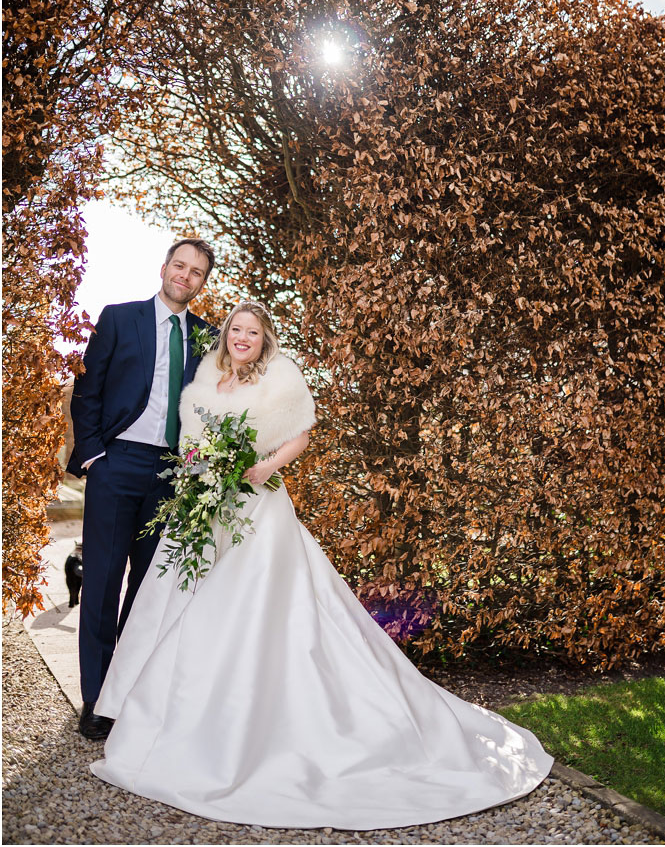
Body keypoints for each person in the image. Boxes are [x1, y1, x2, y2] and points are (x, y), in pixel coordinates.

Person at [90, 301, 552, 829]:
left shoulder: (281, 376)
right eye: (236, 330)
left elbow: (300, 435)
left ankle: (251, 727)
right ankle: (160, 718)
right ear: (226, 335)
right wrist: (200, 466)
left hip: (258, 510)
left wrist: (263, 466)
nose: (243, 338)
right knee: (178, 604)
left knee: (250, 612)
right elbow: (192, 440)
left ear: (266, 339)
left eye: (253, 332)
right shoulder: (203, 378)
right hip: (205, 509)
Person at [66, 238, 219, 740]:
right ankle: (95, 698)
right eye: (180, 265)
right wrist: (93, 456)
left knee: (148, 590)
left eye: (196, 272)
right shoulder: (118, 318)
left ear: (203, 281)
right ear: (164, 267)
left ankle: (126, 690)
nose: (185, 276)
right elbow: (89, 391)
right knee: (103, 582)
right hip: (117, 463)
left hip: (172, 474)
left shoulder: (207, 338)